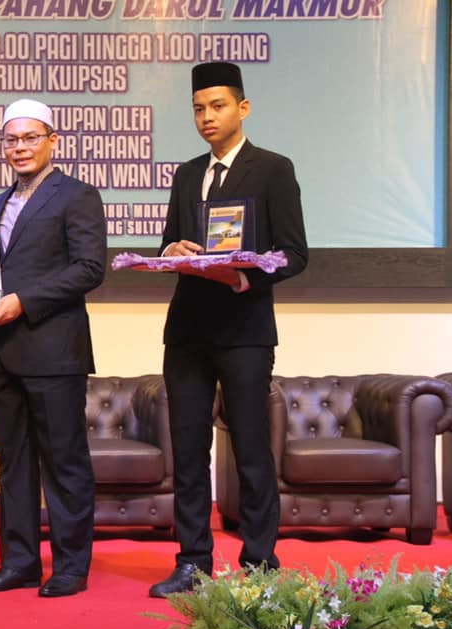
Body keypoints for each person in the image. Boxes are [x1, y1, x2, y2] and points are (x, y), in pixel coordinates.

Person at [148, 62, 308, 597]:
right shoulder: (186, 174)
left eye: (217, 106)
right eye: (198, 108)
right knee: (188, 452)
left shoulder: (273, 169)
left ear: (243, 108)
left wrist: (244, 276)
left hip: (245, 329)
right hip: (187, 332)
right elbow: (171, 243)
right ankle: (192, 563)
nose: (206, 117)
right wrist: (171, 249)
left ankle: (260, 566)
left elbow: (295, 254)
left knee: (252, 451)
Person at [0, 99, 106, 598]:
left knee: (65, 463)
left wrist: (24, 301)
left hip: (54, 352)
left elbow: (90, 268)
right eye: (11, 140)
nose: (20, 148)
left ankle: (70, 567)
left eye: (30, 138)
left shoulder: (77, 195)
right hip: (3, 351)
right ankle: (19, 562)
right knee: (14, 463)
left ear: (53, 140)